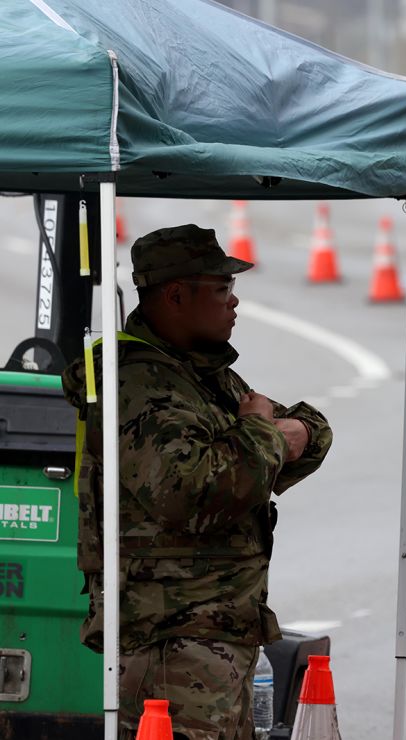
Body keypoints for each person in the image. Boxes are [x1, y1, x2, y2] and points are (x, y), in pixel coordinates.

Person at [62, 224, 333, 740]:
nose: (235, 303)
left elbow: (307, 435)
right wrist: (261, 432)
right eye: (222, 289)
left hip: (212, 631)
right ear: (176, 295)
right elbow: (195, 491)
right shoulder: (137, 383)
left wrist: (279, 434)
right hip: (170, 638)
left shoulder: (199, 374)